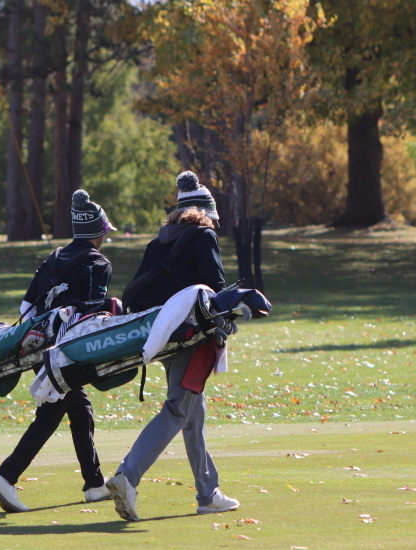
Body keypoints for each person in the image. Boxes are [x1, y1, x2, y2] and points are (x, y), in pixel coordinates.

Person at [106, 171, 239, 521]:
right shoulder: (203, 236)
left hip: (163, 338)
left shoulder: (158, 242)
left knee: (194, 413)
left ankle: (208, 492)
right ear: (205, 212)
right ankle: (127, 476)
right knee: (180, 410)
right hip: (193, 340)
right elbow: (215, 291)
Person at [0, 189, 116, 513]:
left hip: (38, 344)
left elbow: (27, 305)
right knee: (50, 415)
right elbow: (92, 314)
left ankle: (95, 484)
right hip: (67, 351)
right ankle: (5, 477)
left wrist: (36, 343)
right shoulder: (99, 263)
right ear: (98, 232)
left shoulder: (54, 256)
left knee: (80, 410)